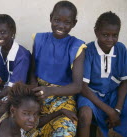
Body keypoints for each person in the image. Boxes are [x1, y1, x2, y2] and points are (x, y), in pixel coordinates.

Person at [29, 1, 87, 136]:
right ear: (50, 18)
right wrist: (33, 89)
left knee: (65, 130)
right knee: (25, 125)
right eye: (56, 20)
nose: (61, 26)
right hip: (39, 93)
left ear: (74, 23)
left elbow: (77, 86)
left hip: (63, 97)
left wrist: (50, 90)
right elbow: (32, 70)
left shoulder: (77, 47)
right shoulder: (39, 39)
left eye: (67, 22)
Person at [77, 11, 127, 137]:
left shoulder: (121, 49)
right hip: (91, 95)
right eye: (105, 35)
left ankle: (116, 133)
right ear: (96, 32)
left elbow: (124, 82)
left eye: (115, 35)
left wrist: (117, 110)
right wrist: (110, 111)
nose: (110, 39)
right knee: (84, 113)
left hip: (112, 94)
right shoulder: (88, 51)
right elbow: (83, 88)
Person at [0, 82, 78, 137]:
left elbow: (37, 123)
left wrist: (61, 111)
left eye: (35, 114)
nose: (32, 119)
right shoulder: (5, 134)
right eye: (26, 114)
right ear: (13, 111)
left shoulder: (14, 119)